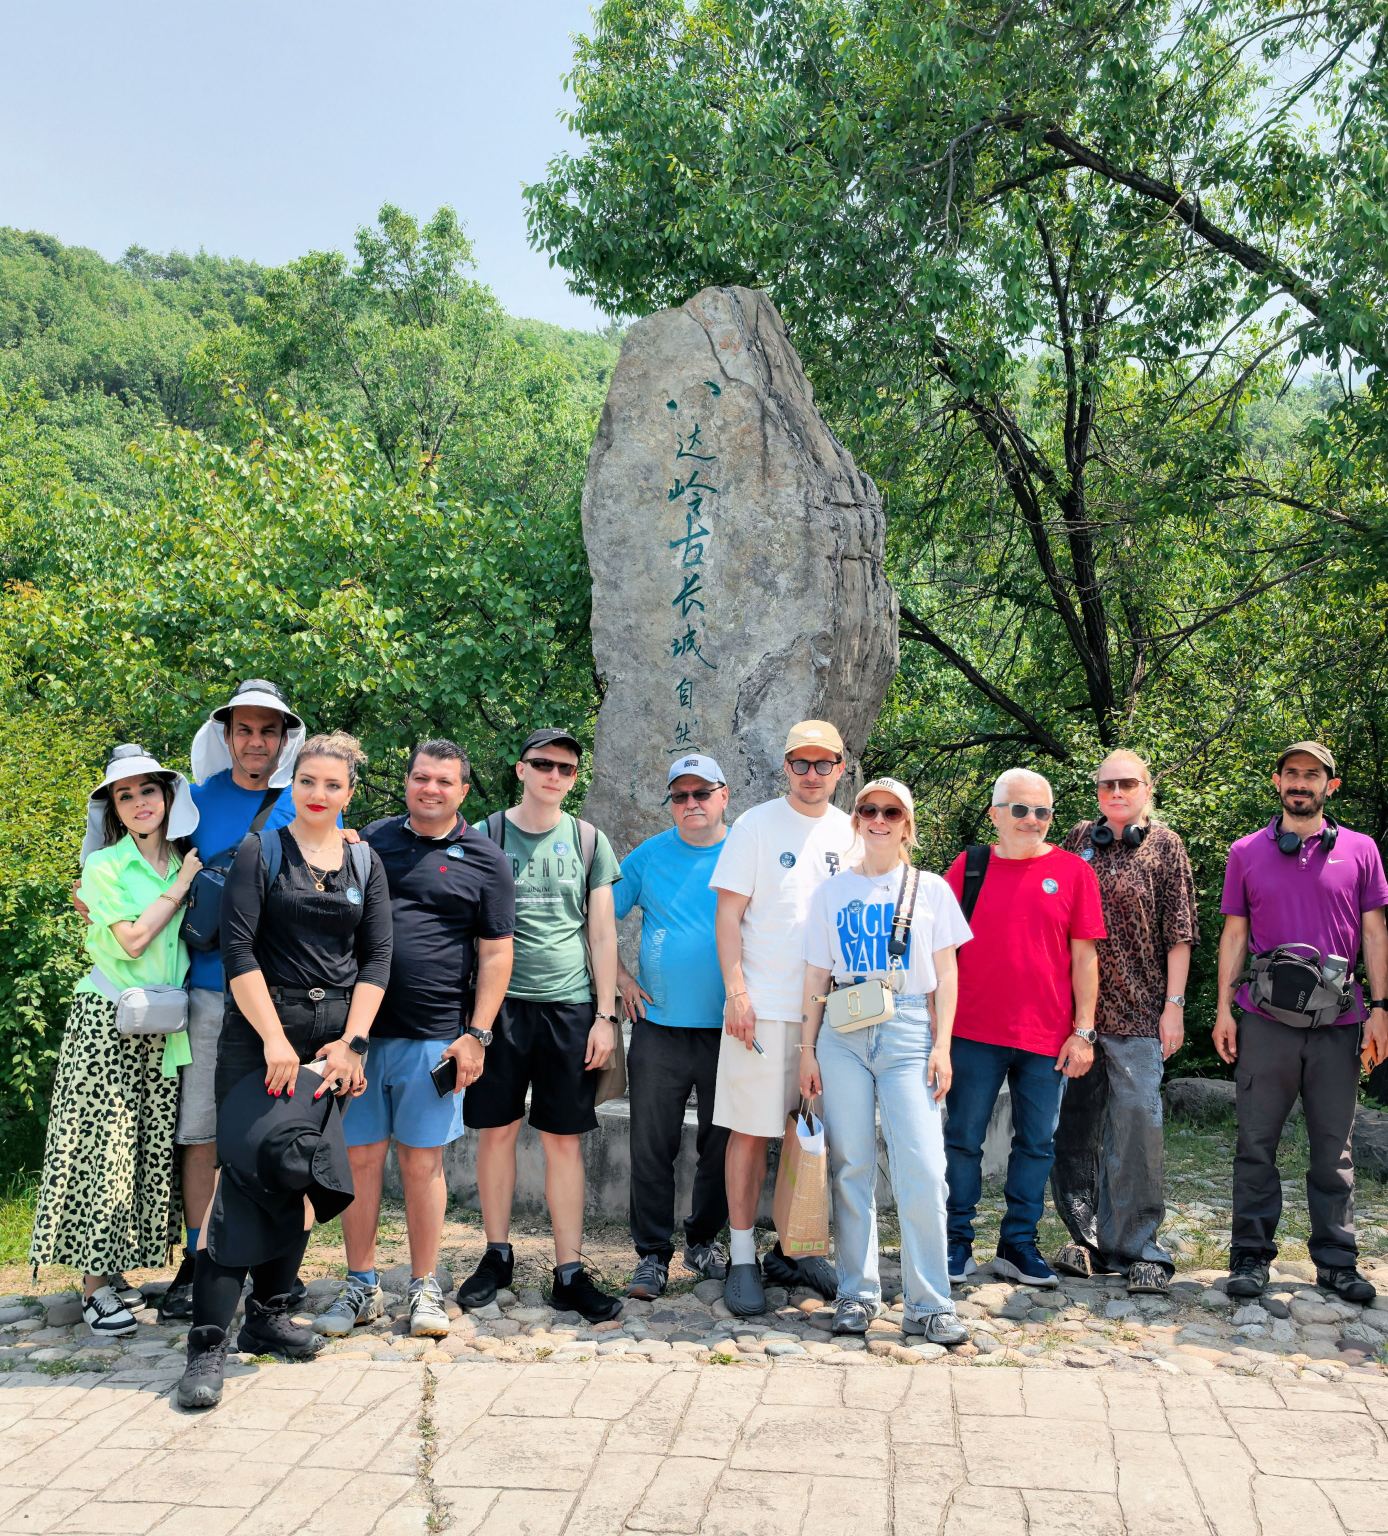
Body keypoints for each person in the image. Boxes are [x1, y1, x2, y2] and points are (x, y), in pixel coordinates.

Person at [177, 731, 393, 1410]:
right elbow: (238, 952)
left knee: (301, 1171)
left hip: (333, 1044)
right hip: (259, 1040)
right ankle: (207, 1344)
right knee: (243, 1181)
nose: (319, 795)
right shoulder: (260, 851)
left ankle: (267, 1319)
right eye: (309, 782)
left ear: (349, 793)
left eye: (334, 785)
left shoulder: (365, 861)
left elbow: (377, 958)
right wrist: (274, 1039)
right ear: (293, 785)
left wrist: (354, 1044)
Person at [316, 739, 515, 1340]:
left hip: (435, 1035)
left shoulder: (485, 858)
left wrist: (477, 1033)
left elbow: (497, 951)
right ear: (406, 781)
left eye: (444, 782)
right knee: (359, 1159)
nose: (431, 789)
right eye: (421, 778)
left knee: (423, 1162)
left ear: (463, 791)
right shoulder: (372, 840)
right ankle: (361, 1284)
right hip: (358, 1035)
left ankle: (425, 1284)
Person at [31, 745, 201, 1337]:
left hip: (162, 1026)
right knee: (101, 1151)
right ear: (113, 808)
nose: (138, 803)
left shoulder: (183, 855)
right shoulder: (105, 867)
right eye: (124, 795)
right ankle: (92, 1288)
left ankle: (115, 1269)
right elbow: (131, 941)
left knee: (147, 1150)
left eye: (146, 791)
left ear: (166, 797)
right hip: (107, 1020)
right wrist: (180, 885)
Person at [455, 729, 624, 1324]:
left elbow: (602, 934)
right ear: (520, 769)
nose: (555, 776)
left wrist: (605, 1017)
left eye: (567, 769)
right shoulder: (485, 835)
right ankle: (496, 1255)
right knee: (496, 1132)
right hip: (497, 1009)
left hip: (569, 1007)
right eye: (544, 765)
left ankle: (569, 1270)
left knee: (563, 1141)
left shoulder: (589, 839)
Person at [1214, 741, 1388, 1303]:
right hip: (1265, 1019)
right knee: (1255, 1142)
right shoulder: (1246, 850)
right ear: (1277, 782)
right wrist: (1224, 1008)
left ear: (1329, 786)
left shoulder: (1361, 850)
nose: (1300, 783)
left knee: (1332, 1147)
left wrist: (1381, 1011)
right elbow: (1234, 934)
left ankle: (1337, 1261)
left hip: (1339, 1021)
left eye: (1311, 775)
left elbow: (1375, 933)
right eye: (1291, 774)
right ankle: (1249, 1255)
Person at [799, 778, 971, 1344]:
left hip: (907, 1030)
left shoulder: (931, 890)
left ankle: (930, 1301)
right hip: (843, 1032)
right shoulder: (832, 891)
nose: (878, 819)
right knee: (851, 1166)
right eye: (868, 810)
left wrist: (943, 1045)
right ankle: (857, 1292)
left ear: (907, 823)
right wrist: (807, 1049)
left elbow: (946, 974)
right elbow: (816, 974)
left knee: (922, 1166)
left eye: (890, 811)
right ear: (856, 820)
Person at [159, 678, 305, 1322]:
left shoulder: (302, 803)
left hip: (280, 999)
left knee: (278, 1136)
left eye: (268, 731)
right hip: (209, 989)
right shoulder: (191, 802)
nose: (255, 742)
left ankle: (273, 1265)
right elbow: (142, 856)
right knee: (201, 1133)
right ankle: (198, 1259)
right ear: (226, 737)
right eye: (244, 730)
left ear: (283, 740)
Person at [711, 720, 860, 1317]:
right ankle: (743, 1255)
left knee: (816, 1137)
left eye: (824, 764)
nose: (812, 775)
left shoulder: (854, 830)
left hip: (832, 1016)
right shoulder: (755, 825)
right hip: (764, 1007)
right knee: (750, 1133)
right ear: (786, 767)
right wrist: (736, 993)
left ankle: (798, 1249)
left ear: (840, 769)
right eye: (801, 763)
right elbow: (729, 917)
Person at [943, 768, 1104, 1288]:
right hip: (972, 1031)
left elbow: (1085, 959)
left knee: (1037, 1143)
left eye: (1042, 812)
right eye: (1020, 809)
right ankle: (956, 1243)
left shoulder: (1075, 873)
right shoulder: (969, 867)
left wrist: (1084, 1031)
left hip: (1046, 1037)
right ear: (995, 814)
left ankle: (1018, 1243)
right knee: (962, 1140)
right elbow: (940, 952)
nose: (1032, 820)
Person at [1052, 751, 1199, 1296]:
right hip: (1075, 1015)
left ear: (1146, 787)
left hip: (1139, 1012)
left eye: (1127, 783)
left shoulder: (1166, 845)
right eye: (1107, 784)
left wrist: (1174, 1005)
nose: (1116, 791)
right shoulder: (1076, 839)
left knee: (1137, 1124)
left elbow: (1179, 932)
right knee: (1075, 1127)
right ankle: (1085, 1241)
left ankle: (1138, 1246)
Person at [616, 754, 732, 1300]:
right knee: (651, 1145)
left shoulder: (745, 852)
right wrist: (619, 976)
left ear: (723, 795)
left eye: (701, 794)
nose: (692, 805)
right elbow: (593, 915)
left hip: (731, 1028)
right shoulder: (649, 856)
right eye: (681, 796)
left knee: (722, 1142)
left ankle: (706, 1240)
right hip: (658, 1027)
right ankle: (652, 1255)